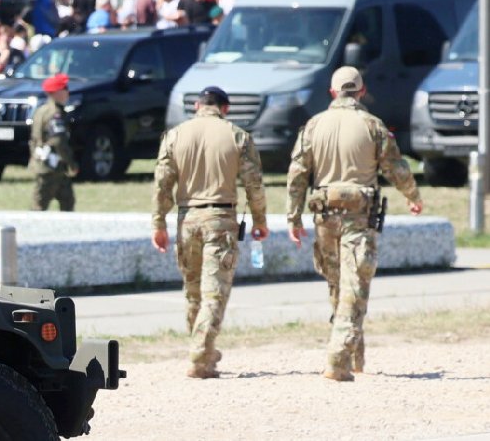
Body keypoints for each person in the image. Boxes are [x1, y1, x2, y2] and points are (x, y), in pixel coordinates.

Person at [286, 66, 423, 381]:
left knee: (338, 286)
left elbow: (296, 175)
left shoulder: (313, 126)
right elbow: (395, 166)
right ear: (361, 92)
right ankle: (339, 358)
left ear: (332, 92)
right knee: (355, 287)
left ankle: (354, 356)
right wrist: (412, 196)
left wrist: (293, 217)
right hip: (358, 217)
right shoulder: (373, 126)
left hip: (324, 216)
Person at [151, 86, 267, 379]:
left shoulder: (175, 135)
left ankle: (202, 349)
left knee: (193, 293)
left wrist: (159, 223)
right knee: (214, 293)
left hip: (187, 219)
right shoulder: (238, 136)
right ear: (224, 108)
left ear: (197, 107)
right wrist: (259, 220)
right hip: (221, 218)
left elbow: (162, 185)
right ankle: (201, 356)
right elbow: (254, 184)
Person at [30, 73, 78, 211]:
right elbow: (58, 141)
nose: (68, 92)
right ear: (56, 92)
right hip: (51, 166)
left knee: (67, 201)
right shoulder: (55, 114)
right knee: (40, 205)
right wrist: (71, 163)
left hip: (47, 164)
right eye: (65, 88)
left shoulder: (41, 110)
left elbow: (33, 139)